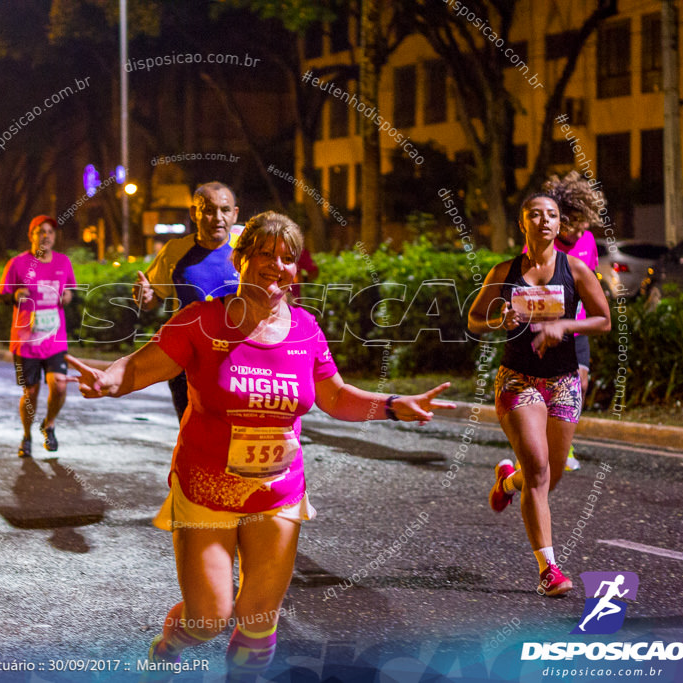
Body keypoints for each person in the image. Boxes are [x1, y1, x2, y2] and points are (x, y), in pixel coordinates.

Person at [69, 212, 454, 681]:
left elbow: (334, 397)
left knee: (257, 622)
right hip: (207, 489)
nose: (277, 266)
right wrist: (108, 380)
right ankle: (170, 644)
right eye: (265, 254)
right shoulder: (203, 320)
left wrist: (393, 404)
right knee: (209, 617)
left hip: (278, 493)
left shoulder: (306, 329)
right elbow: (141, 366)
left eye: (287, 258)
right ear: (241, 258)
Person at [468, 193, 610, 597]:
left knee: (552, 476)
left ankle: (507, 483)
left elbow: (602, 320)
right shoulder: (505, 270)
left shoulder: (576, 269)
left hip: (563, 381)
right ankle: (549, 569)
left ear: (558, 224)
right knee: (540, 470)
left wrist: (565, 327)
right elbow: (475, 319)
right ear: (522, 223)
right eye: (536, 214)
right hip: (519, 380)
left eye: (552, 215)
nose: (545, 221)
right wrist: (499, 318)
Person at [136, 182, 241, 420]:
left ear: (235, 214)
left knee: (233, 437)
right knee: (192, 432)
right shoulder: (175, 251)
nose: (217, 218)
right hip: (187, 364)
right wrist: (146, 297)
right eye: (208, 210)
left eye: (225, 210)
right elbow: (152, 299)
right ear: (194, 213)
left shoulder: (246, 253)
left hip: (236, 362)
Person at [540, 171, 604, 471]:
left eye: (585, 224)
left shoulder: (588, 240)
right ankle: (541, 444)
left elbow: (589, 281)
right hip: (546, 328)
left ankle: (562, 444)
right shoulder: (542, 244)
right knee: (548, 390)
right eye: (576, 225)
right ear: (563, 221)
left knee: (580, 382)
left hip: (576, 328)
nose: (582, 231)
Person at [0, 215, 76, 456]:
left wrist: (67, 297)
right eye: (41, 231)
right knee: (30, 392)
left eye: (51, 232)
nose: (46, 236)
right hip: (26, 342)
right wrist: (15, 295)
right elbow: (3, 294)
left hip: (55, 338)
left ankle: (49, 423)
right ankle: (26, 435)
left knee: (60, 385)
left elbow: (71, 289)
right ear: (31, 235)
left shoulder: (63, 262)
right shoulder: (17, 264)